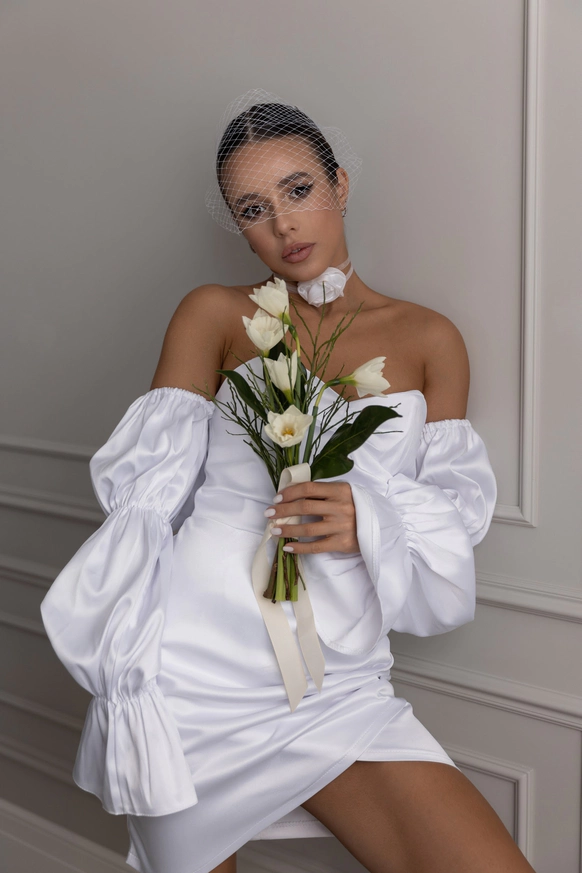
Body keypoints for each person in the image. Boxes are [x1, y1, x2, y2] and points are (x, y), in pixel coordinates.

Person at [40, 92, 535, 873]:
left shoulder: (429, 337)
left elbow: (451, 516)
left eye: (298, 190)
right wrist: (125, 664)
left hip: (336, 677)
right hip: (194, 670)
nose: (283, 224)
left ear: (340, 183)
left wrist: (367, 514)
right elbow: (145, 498)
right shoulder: (213, 314)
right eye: (253, 208)